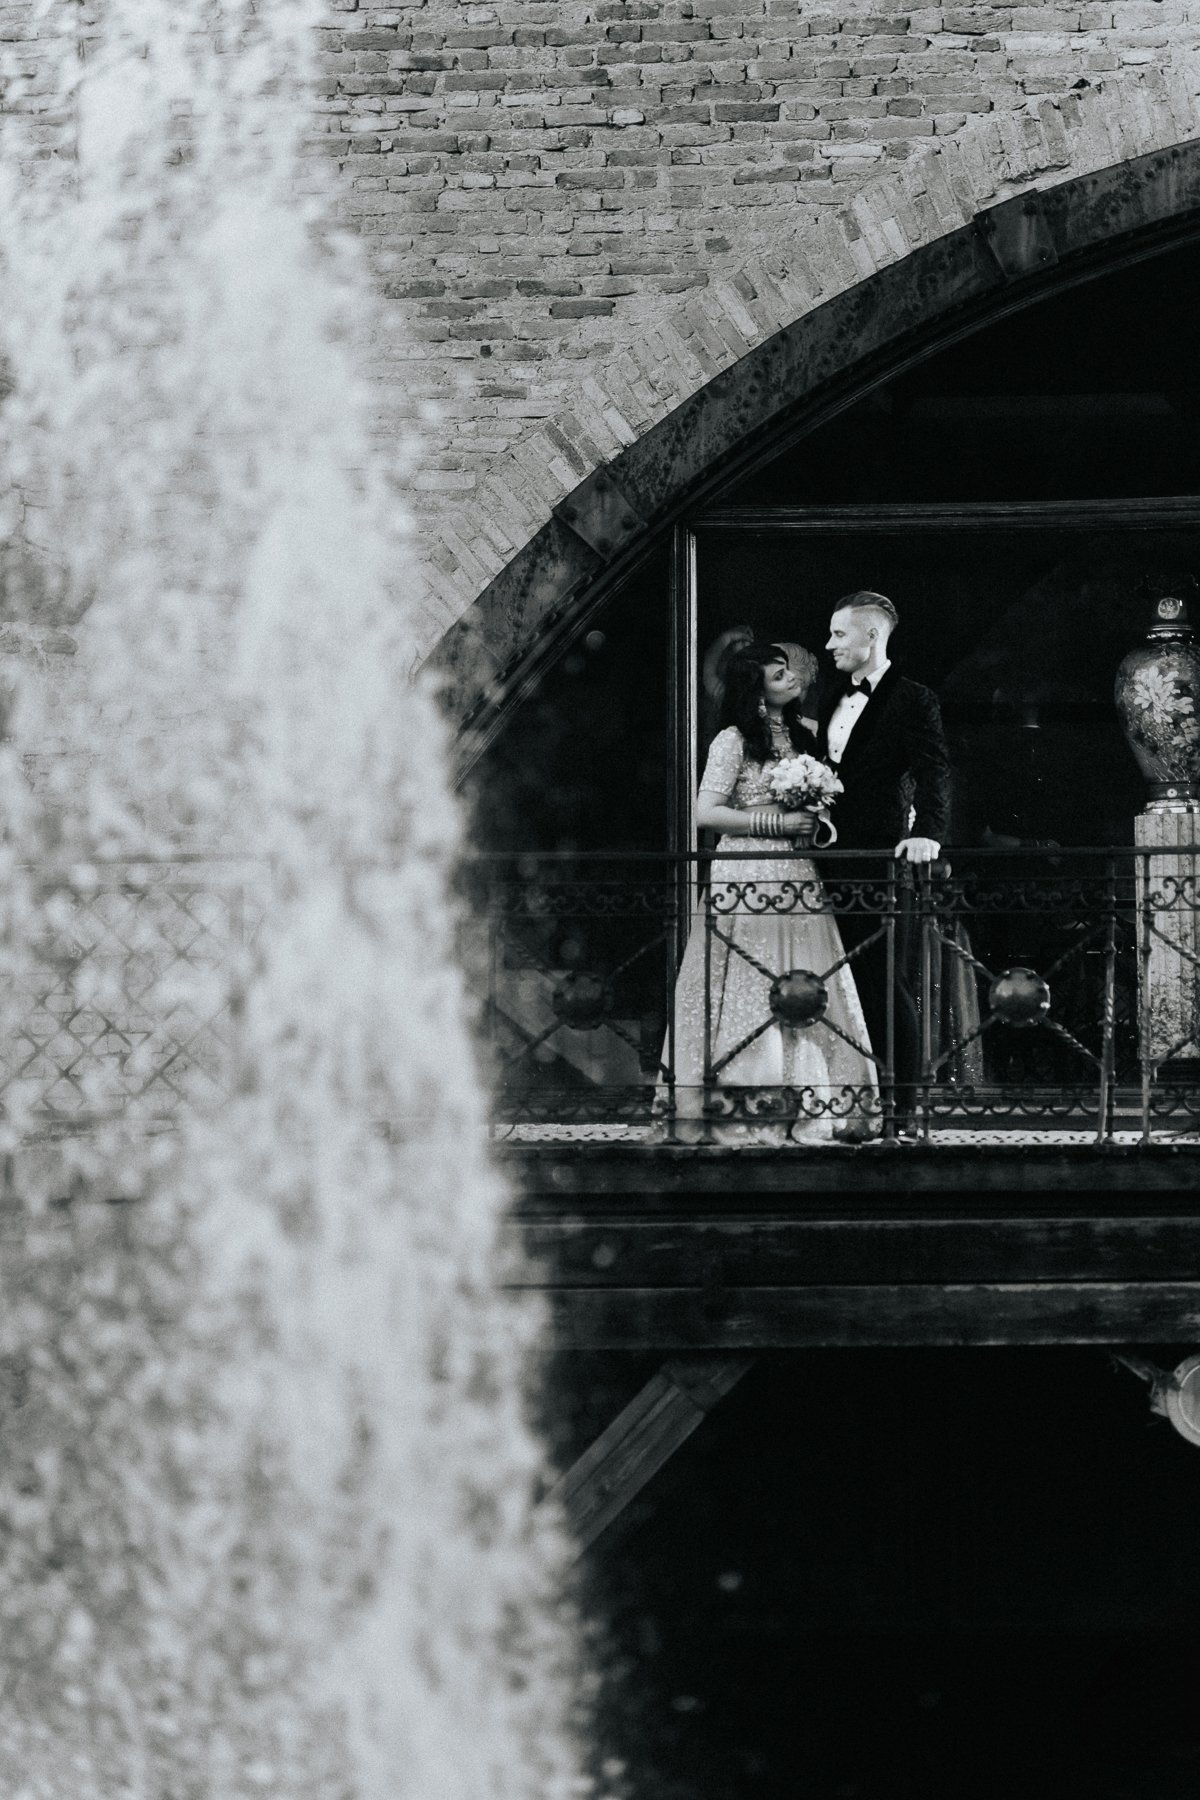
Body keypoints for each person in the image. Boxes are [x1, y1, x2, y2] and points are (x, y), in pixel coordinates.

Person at [656, 641, 877, 1144]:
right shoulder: (732, 740)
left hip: (797, 870)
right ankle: (743, 1104)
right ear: (756, 692)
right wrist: (775, 824)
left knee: (806, 974)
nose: (793, 679)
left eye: (789, 671)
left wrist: (815, 820)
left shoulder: (806, 735)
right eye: (779, 676)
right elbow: (706, 813)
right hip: (746, 869)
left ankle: (817, 1102)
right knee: (751, 978)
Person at [817, 591, 952, 1134]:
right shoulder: (832, 694)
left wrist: (927, 835)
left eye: (839, 634)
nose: (830, 644)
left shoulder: (913, 697)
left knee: (879, 977)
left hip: (877, 856)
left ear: (871, 636)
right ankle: (853, 1097)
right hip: (827, 854)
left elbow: (934, 770)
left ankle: (903, 1105)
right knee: (840, 976)